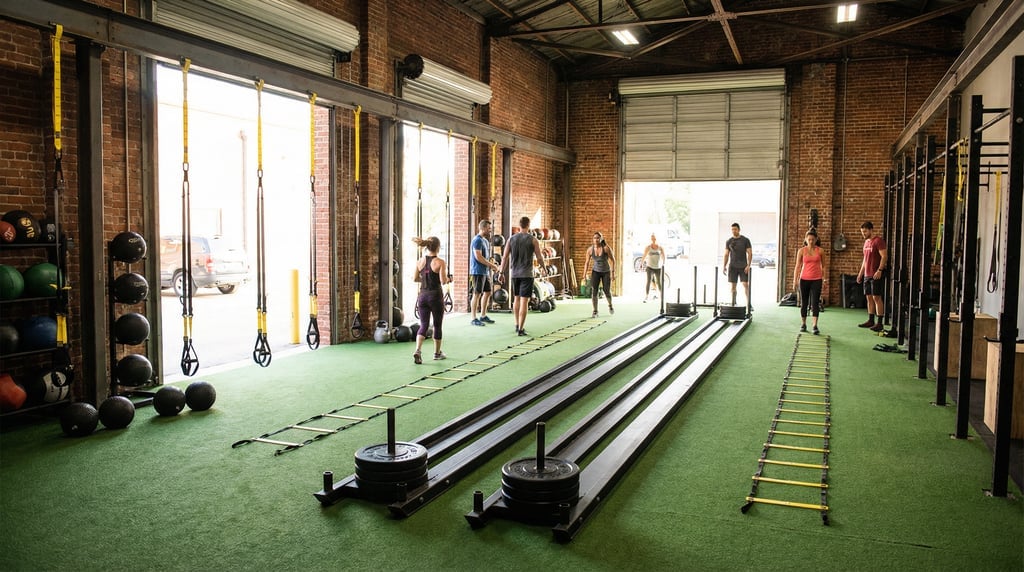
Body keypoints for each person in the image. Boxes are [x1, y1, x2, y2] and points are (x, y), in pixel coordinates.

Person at [498, 217, 546, 336]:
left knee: (517, 299)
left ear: (519, 225)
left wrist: (501, 273)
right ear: (528, 225)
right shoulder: (533, 240)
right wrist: (544, 268)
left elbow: (504, 257)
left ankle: (516, 324)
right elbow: (539, 257)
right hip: (527, 274)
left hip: (515, 274)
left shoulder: (511, 239)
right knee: (524, 301)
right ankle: (521, 328)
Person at [411, 236, 449, 363]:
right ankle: (437, 353)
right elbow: (443, 281)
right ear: (438, 247)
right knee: (437, 325)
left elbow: (415, 278)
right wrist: (450, 279)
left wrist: (425, 279)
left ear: (427, 246)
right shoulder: (440, 262)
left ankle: (418, 350)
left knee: (424, 325)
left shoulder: (420, 261)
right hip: (435, 296)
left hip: (422, 296)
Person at [856, 220, 888, 332]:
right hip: (867, 274)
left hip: (875, 274)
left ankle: (880, 323)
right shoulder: (866, 243)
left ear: (871, 230)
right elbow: (865, 260)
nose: (863, 234)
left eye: (865, 231)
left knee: (876, 297)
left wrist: (880, 270)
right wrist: (860, 274)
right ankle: (871, 320)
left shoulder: (878, 241)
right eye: (862, 232)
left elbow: (884, 256)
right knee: (869, 297)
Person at [793, 228, 824, 335]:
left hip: (817, 279)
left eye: (812, 239)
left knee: (815, 303)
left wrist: (824, 279)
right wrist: (795, 280)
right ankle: (803, 323)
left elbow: (824, 266)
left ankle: (815, 326)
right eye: (809, 239)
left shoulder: (820, 251)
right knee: (804, 302)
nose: (811, 241)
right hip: (804, 279)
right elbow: (797, 266)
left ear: (816, 239)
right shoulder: (801, 251)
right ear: (806, 239)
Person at [469, 220, 499, 326]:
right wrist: (491, 266)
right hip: (477, 271)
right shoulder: (476, 240)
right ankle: (473, 318)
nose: (490, 230)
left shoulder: (485, 241)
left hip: (485, 272)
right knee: (477, 294)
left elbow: (486, 256)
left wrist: (492, 262)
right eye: (488, 228)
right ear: (483, 228)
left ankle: (483, 315)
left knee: (487, 292)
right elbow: (478, 257)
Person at [582, 231, 615, 317]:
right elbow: (587, 262)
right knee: (594, 291)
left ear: (601, 239)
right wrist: (584, 275)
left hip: (606, 272)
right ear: (592, 240)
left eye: (598, 238)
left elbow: (613, 260)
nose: (596, 239)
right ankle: (595, 311)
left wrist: (612, 273)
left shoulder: (606, 248)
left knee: (606, 290)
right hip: (595, 271)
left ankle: (610, 305)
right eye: (594, 238)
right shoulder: (590, 250)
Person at [722, 222, 752, 308]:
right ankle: (733, 303)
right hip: (733, 267)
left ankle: (748, 304)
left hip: (743, 266)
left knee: (745, 285)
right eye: (732, 229)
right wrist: (724, 266)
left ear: (739, 230)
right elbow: (726, 254)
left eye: (735, 229)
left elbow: (750, 253)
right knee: (733, 287)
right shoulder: (729, 241)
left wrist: (748, 265)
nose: (733, 231)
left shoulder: (745, 240)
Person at [642, 233, 663, 303]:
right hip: (650, 267)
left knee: (659, 282)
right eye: (652, 238)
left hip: (657, 267)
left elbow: (663, 255)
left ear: (656, 238)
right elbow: (644, 255)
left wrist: (664, 263)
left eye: (654, 237)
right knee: (648, 281)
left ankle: (661, 296)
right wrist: (641, 263)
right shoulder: (648, 247)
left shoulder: (660, 247)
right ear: (651, 239)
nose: (653, 239)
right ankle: (646, 296)